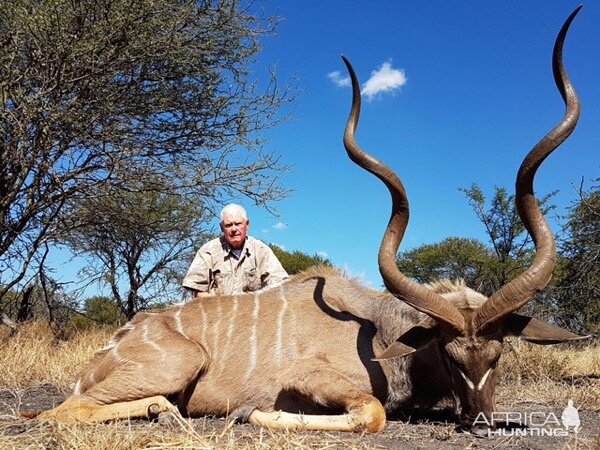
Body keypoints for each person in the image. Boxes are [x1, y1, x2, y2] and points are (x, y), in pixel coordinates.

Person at [183, 204, 289, 298]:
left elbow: (279, 285)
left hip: (253, 315)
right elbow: (198, 292)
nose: (234, 229)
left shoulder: (261, 250)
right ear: (221, 227)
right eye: (228, 225)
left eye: (238, 224)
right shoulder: (208, 251)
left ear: (247, 225)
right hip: (217, 316)